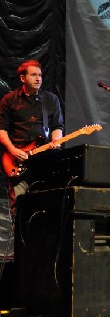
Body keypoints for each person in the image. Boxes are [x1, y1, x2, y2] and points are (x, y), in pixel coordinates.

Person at [0, 60, 64, 256]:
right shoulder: (9, 100)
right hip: (17, 161)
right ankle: (21, 251)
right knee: (20, 205)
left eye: (40, 75)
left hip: (44, 161)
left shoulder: (50, 100)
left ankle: (44, 252)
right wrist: (12, 150)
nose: (38, 79)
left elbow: (57, 127)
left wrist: (56, 140)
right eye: (34, 75)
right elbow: (2, 130)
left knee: (47, 205)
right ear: (22, 78)